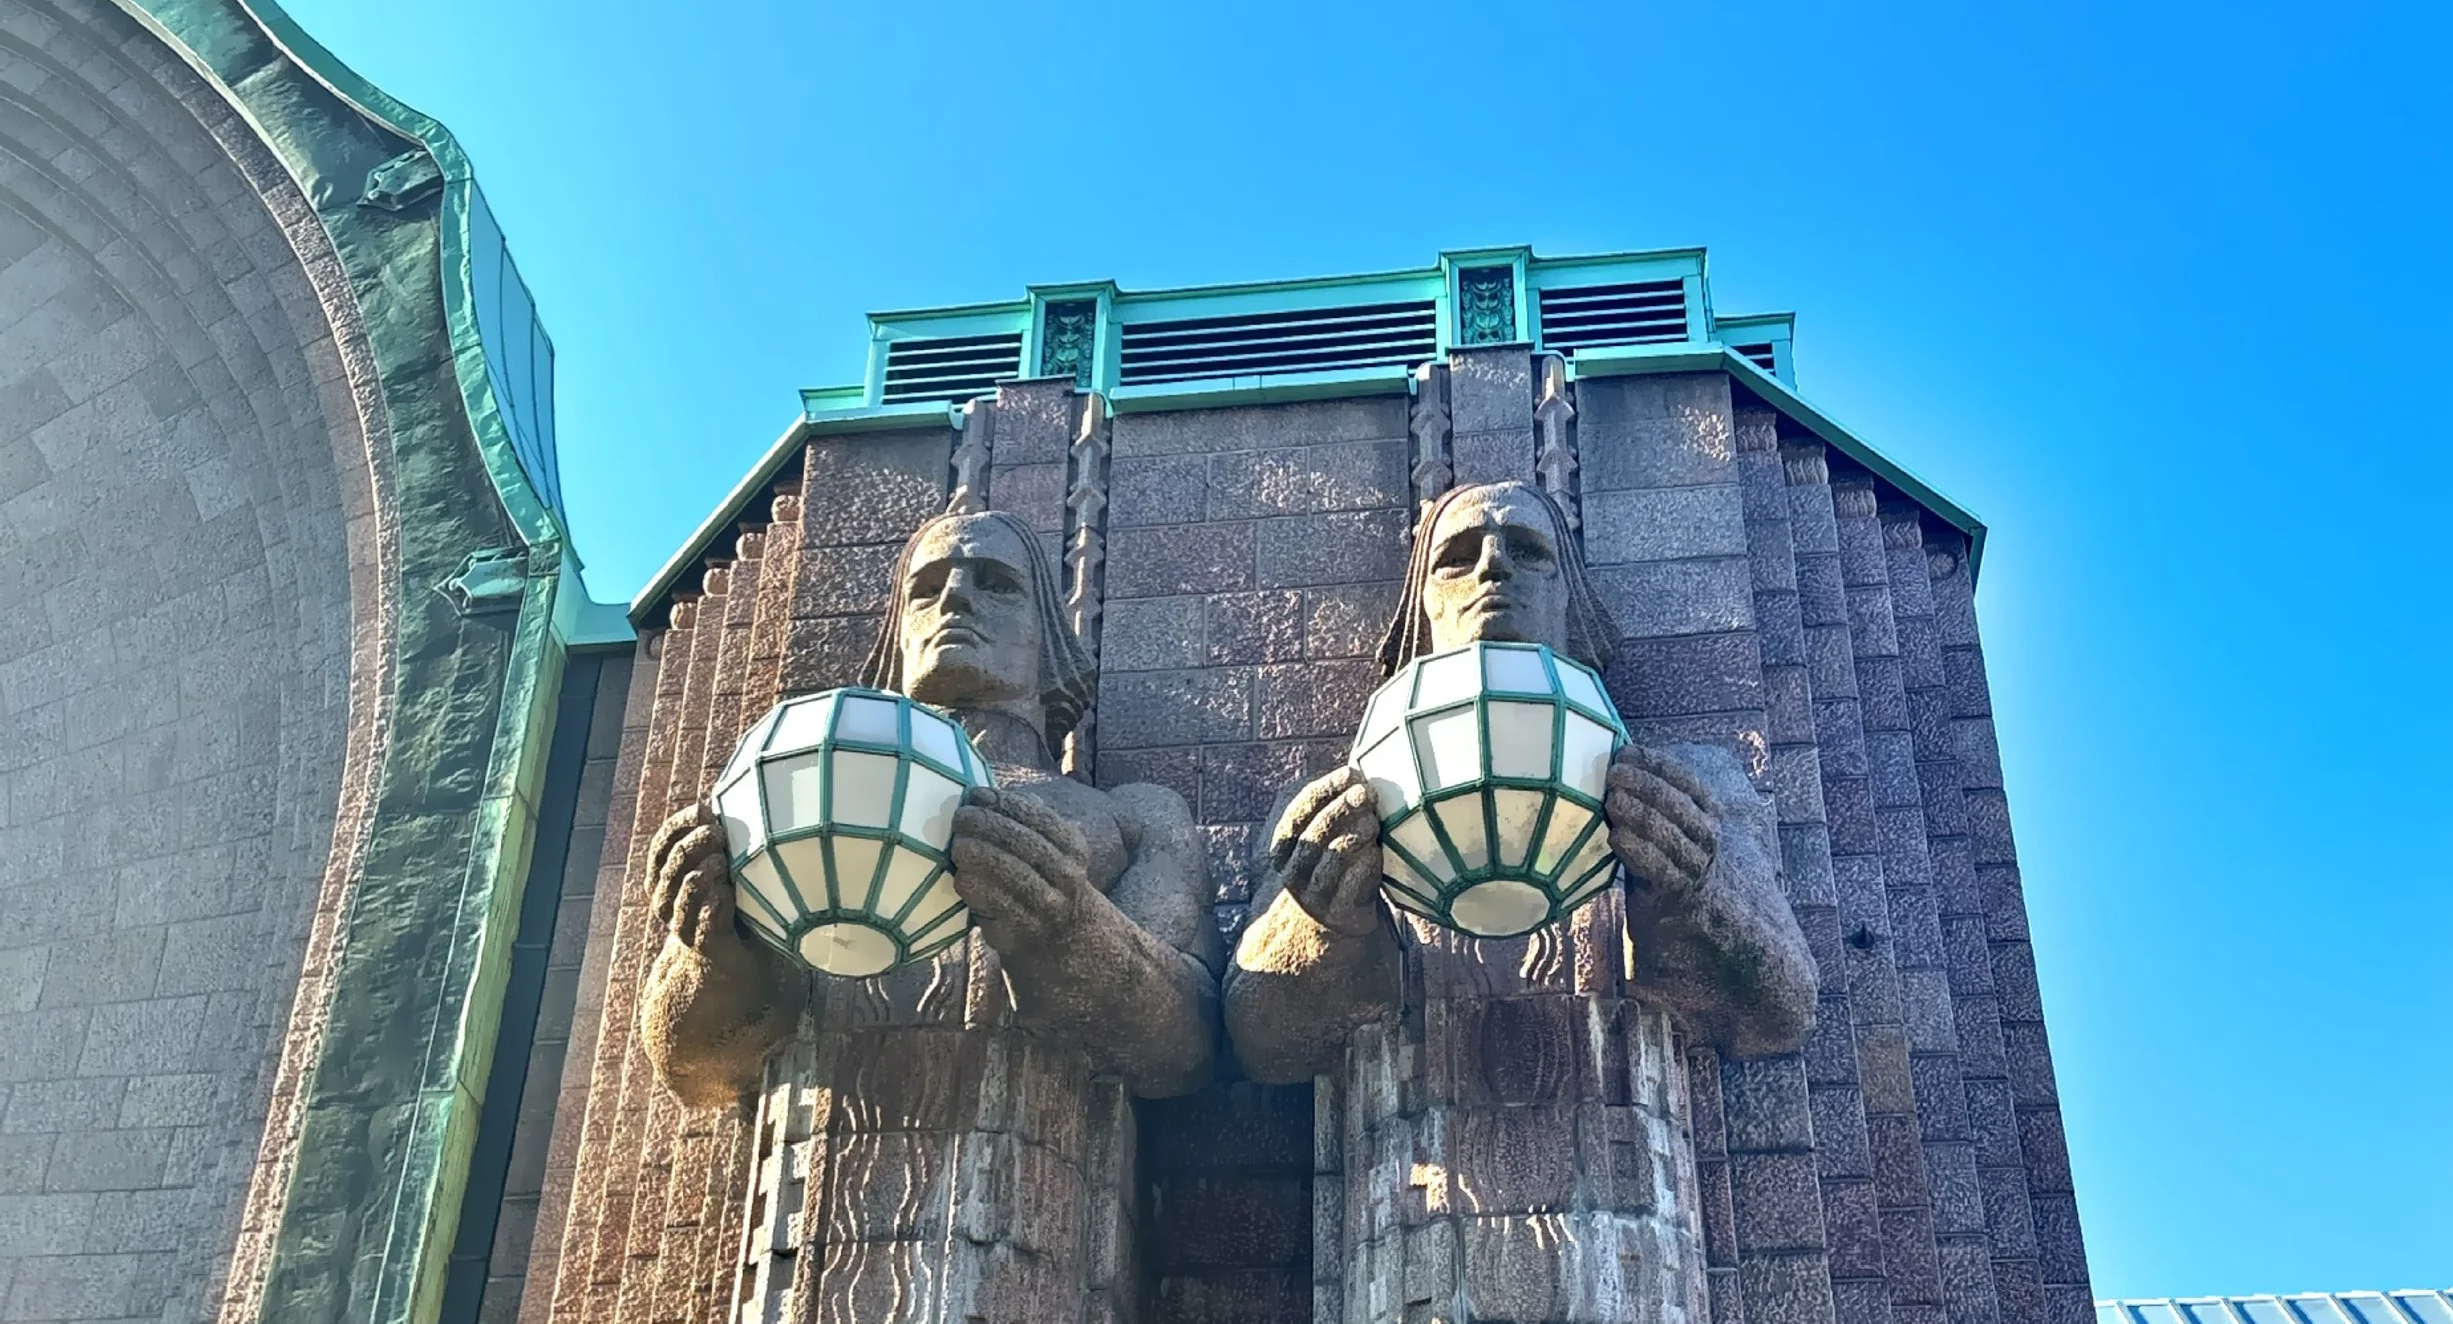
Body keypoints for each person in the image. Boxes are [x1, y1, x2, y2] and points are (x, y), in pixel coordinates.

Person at [1223, 476, 1815, 1075]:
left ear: (1568, 599)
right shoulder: (1341, 811)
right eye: (1456, 558)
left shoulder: (1686, 787)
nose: (1492, 566)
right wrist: (1320, 926)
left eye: (1528, 550)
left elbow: (1786, 1009)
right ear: (1423, 609)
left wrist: (1696, 894)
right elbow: (1258, 1041)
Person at [640, 503, 1218, 1107]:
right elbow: (693, 1074)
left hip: (1036, 1144)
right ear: (899, 640)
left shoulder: (1132, 818)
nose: (955, 599)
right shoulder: (802, 800)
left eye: (996, 584)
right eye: (925, 589)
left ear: (1047, 636)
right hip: (806, 1147)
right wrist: (712, 954)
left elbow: (1189, 1046)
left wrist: (1072, 930)